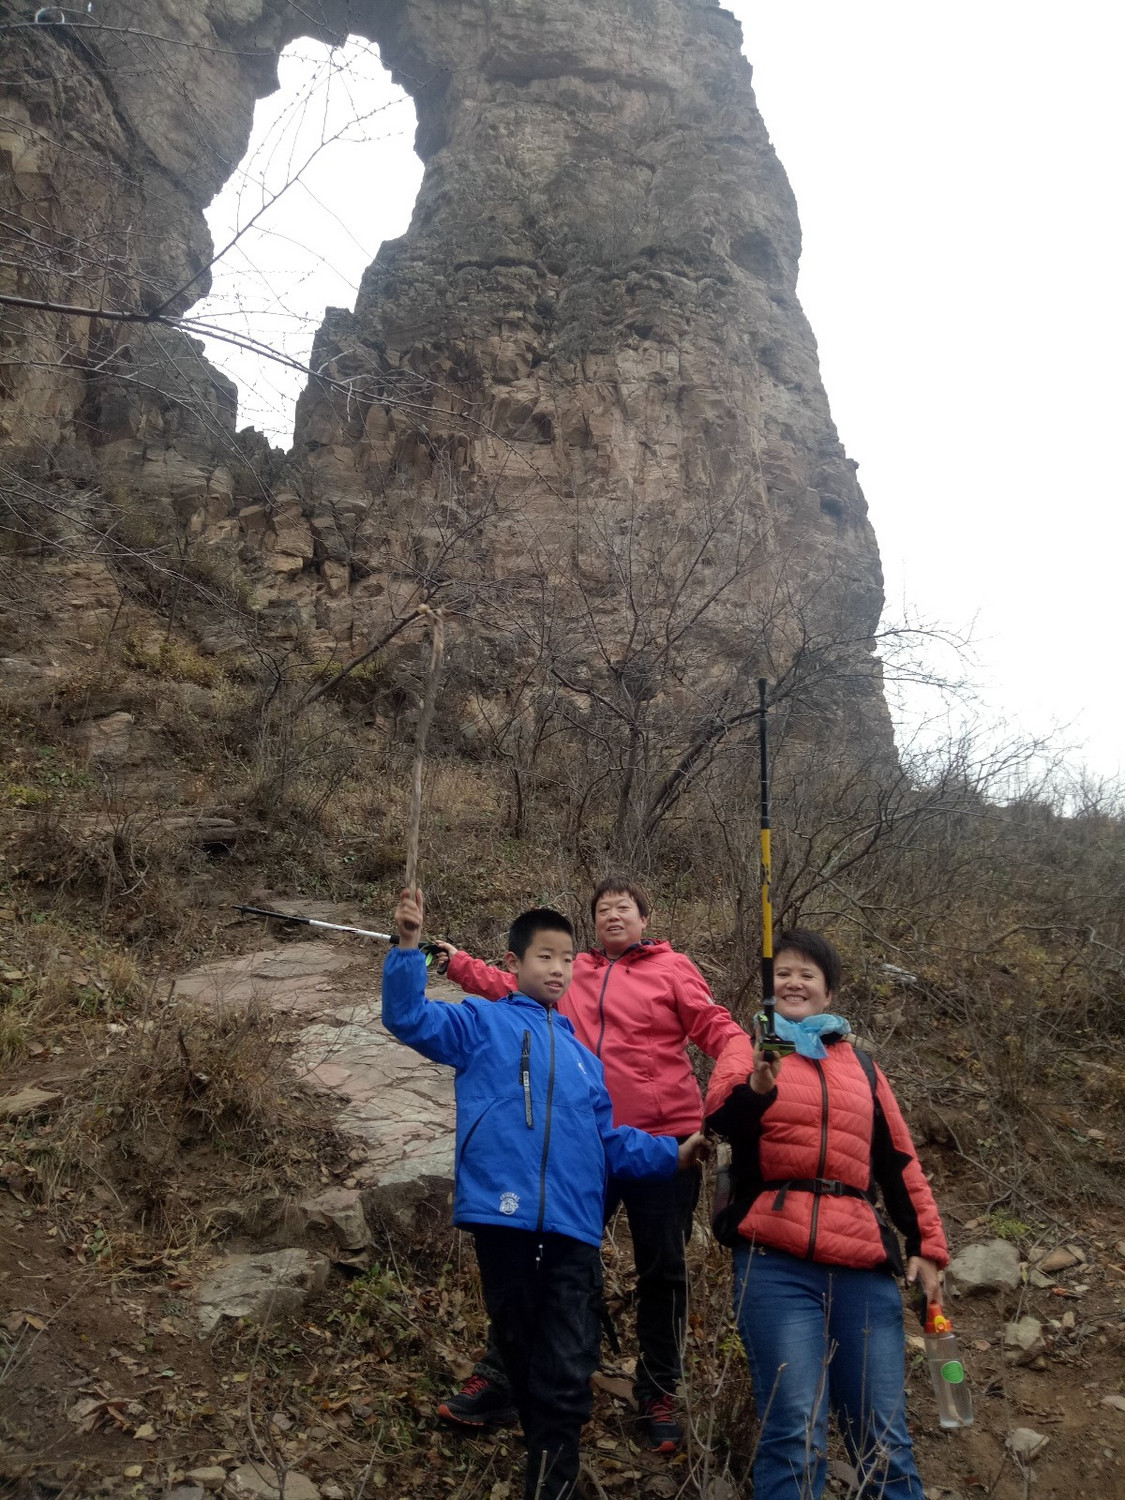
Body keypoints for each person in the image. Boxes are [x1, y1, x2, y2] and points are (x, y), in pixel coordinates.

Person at [382, 888, 709, 1500]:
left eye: (565, 960)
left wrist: (676, 1152)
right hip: (503, 1220)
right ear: (516, 963)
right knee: (518, 1342)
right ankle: (539, 1449)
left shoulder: (587, 1061)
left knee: (567, 1363)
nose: (558, 970)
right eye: (544, 958)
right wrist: (408, 947)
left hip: (572, 1229)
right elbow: (408, 1019)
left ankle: (551, 1481)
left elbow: (611, 1142)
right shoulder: (483, 1023)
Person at [434, 876, 743, 1450]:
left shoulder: (673, 969)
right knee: (542, 1258)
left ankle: (657, 1390)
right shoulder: (574, 973)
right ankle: (504, 1379)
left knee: (663, 1272)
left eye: (624, 908)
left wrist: (726, 1096)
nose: (613, 917)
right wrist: (457, 965)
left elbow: (719, 1031)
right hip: (584, 1146)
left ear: (645, 920)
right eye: (602, 910)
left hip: (664, 1144)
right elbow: (512, 984)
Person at [704, 930, 949, 1500]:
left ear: (828, 992)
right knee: (794, 1434)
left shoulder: (862, 1068)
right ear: (769, 988)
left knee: (886, 1441)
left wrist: (928, 1248)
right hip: (775, 1262)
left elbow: (899, 1163)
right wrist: (759, 1086)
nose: (793, 982)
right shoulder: (749, 1047)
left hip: (863, 1268)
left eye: (807, 974)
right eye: (783, 973)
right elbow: (719, 1119)